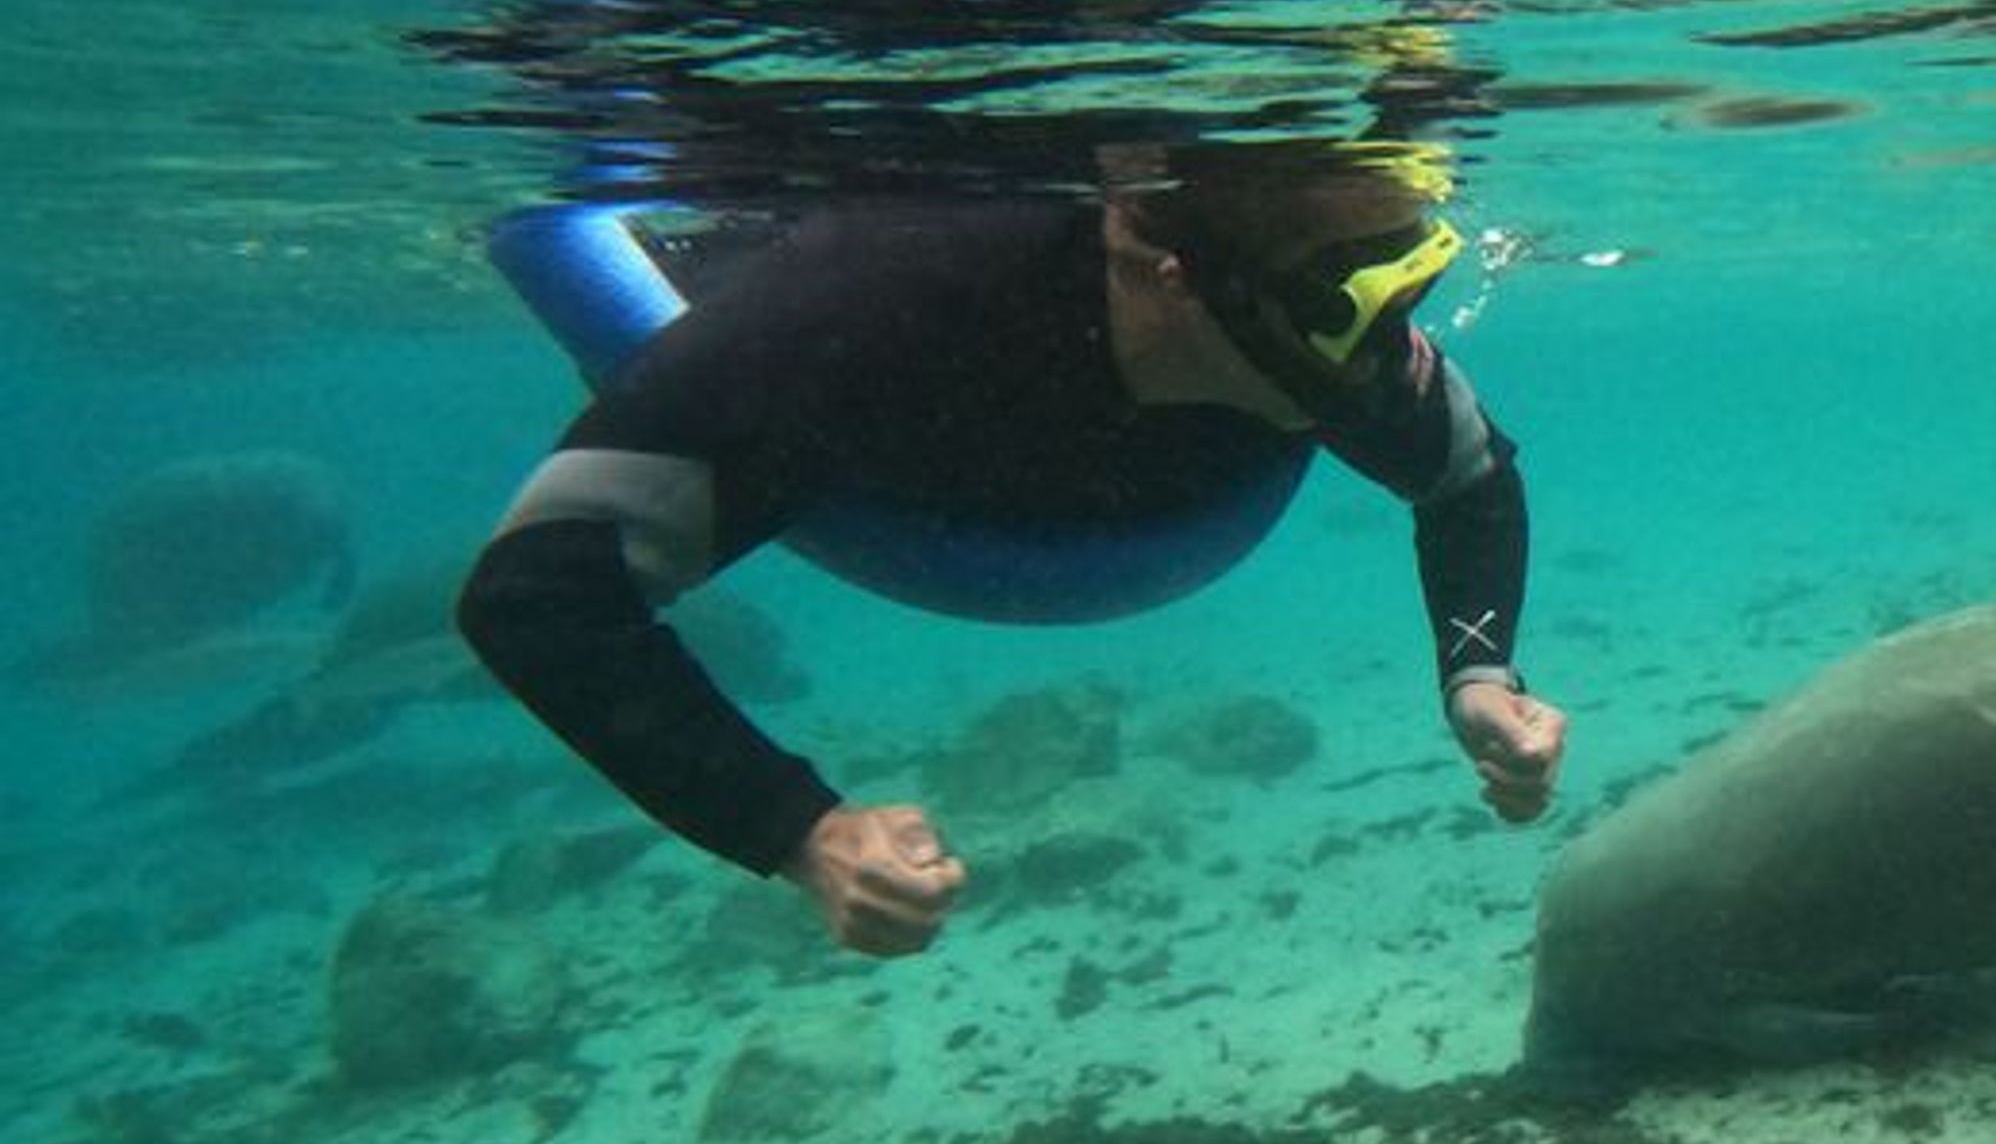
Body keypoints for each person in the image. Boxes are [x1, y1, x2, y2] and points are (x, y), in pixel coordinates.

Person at [457, 135, 1567, 957]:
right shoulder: (875, 318)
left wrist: (1477, 675)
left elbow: (1473, 482)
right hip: (807, 316)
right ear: (1166, 275)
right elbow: (537, 596)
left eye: (1410, 278)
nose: (1387, 355)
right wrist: (799, 829)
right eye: (1348, 305)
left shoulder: (1298, 322)